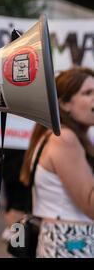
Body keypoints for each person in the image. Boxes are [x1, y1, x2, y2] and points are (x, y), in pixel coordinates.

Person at [20, 67, 94, 258]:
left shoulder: (57, 136)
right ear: (64, 104)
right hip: (72, 242)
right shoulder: (65, 140)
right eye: (88, 93)